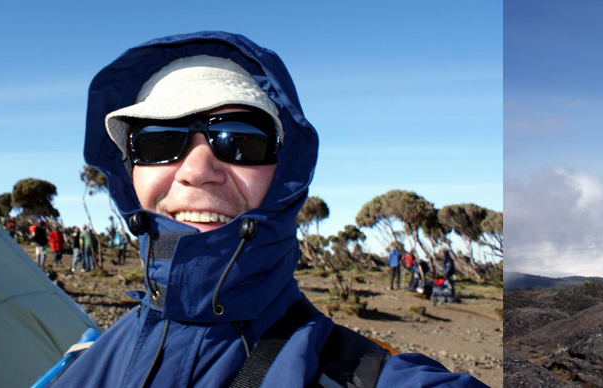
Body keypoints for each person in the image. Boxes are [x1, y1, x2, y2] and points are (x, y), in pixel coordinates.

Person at [43, 31, 482, 388]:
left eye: (240, 140)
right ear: (129, 174)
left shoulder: (360, 376)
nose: (198, 170)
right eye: (158, 141)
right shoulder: (81, 364)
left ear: (284, 174)